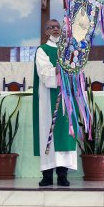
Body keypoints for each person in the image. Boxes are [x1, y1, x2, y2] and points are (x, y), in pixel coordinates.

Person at [32, 19, 77, 187]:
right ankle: (47, 175)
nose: (55, 29)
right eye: (51, 27)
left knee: (65, 133)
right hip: (47, 98)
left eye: (57, 27)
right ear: (46, 32)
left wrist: (72, 66)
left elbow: (76, 69)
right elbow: (43, 73)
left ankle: (63, 174)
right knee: (47, 133)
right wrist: (57, 69)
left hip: (66, 98)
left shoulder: (69, 48)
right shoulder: (42, 50)